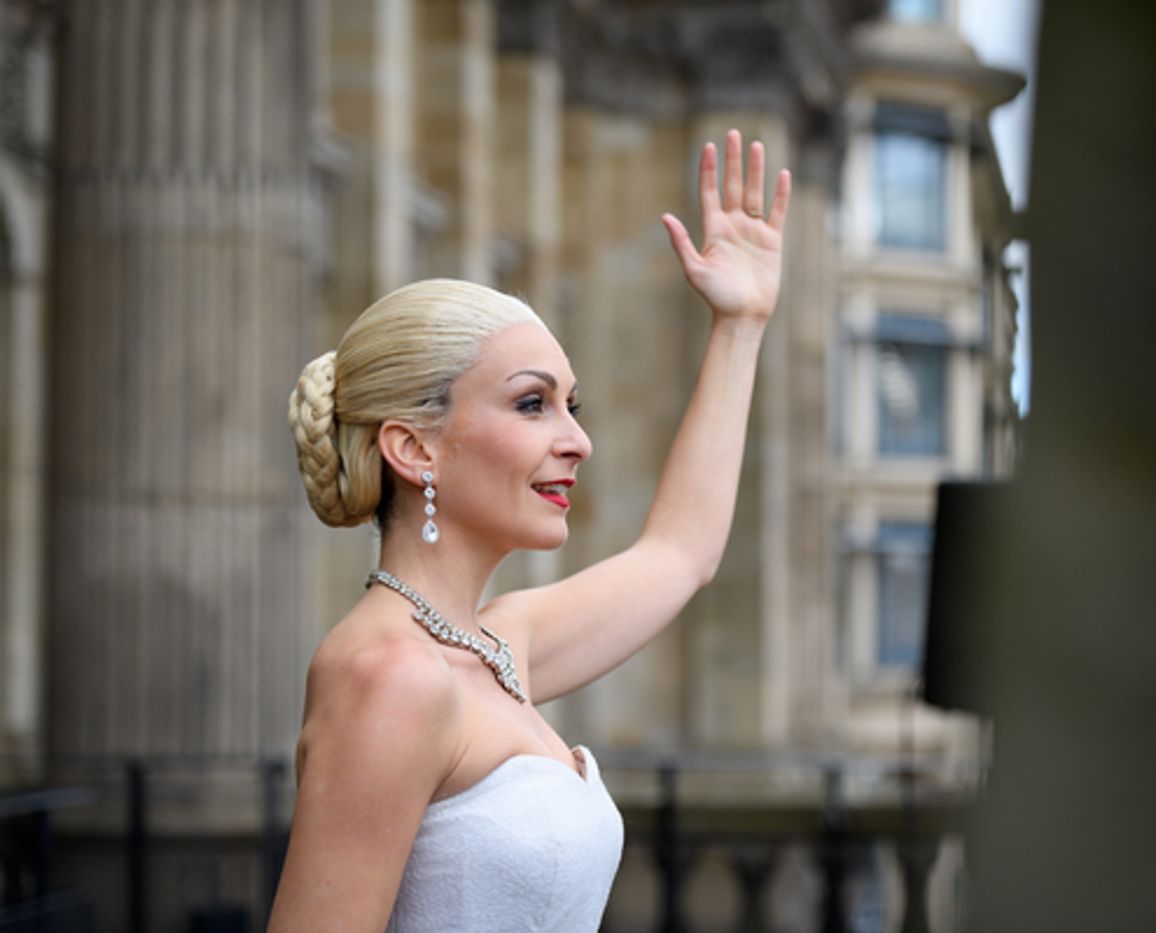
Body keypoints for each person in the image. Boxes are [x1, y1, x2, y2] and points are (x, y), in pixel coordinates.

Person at [269, 130, 789, 932]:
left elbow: (681, 552)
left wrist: (741, 324)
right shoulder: (388, 675)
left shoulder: (494, 647)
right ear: (413, 446)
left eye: (570, 406)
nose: (577, 440)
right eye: (531, 403)